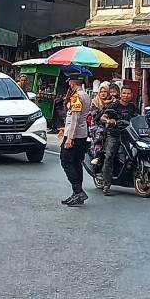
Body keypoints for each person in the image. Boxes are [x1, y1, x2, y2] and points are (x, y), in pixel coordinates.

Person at [59, 74, 91, 206]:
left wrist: (69, 138)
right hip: (82, 134)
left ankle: (78, 191)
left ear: (72, 83)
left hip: (75, 135)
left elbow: (74, 119)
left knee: (66, 161)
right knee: (77, 163)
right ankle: (76, 193)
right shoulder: (86, 95)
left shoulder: (77, 97)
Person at [100, 86, 138, 196]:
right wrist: (109, 120)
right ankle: (106, 183)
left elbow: (139, 118)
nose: (126, 95)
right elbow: (103, 117)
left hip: (129, 135)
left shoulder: (133, 107)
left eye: (128, 93)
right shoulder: (114, 105)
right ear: (120, 94)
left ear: (131, 95)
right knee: (110, 155)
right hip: (114, 134)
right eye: (124, 93)